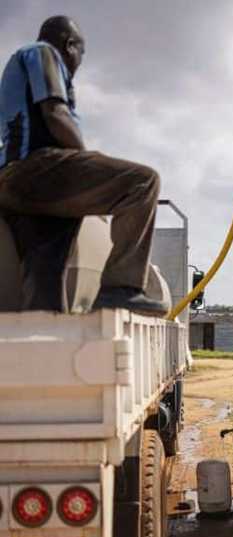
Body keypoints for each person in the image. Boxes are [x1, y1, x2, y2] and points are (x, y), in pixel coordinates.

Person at [0, 15, 167, 316]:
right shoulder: (43, 52)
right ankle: (120, 288)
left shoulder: (14, 73)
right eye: (81, 53)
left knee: (45, 272)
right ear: (70, 45)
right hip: (36, 170)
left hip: (14, 188)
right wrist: (89, 163)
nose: (79, 62)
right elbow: (55, 112)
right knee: (142, 181)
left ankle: (41, 342)